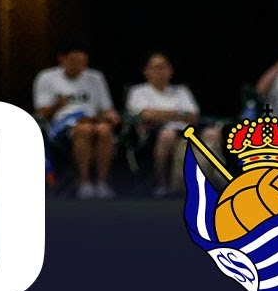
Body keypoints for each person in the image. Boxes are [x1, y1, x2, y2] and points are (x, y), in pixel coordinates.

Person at [33, 40, 120, 199]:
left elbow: (107, 107)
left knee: (104, 130)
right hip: (62, 125)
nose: (79, 66)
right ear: (62, 59)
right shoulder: (46, 77)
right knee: (84, 130)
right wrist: (57, 105)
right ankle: (84, 182)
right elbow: (41, 112)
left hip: (93, 120)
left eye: (82, 62)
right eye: (74, 61)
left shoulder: (96, 77)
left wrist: (111, 115)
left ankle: (101, 183)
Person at [125, 51, 219, 197]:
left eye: (163, 67)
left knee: (213, 133)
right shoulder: (138, 91)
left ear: (170, 70)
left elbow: (193, 116)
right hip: (153, 135)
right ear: (146, 71)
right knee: (167, 135)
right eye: (155, 67)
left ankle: (216, 181)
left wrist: (161, 114)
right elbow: (145, 115)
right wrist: (179, 114)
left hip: (186, 132)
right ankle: (162, 184)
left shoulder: (182, 91)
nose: (160, 71)